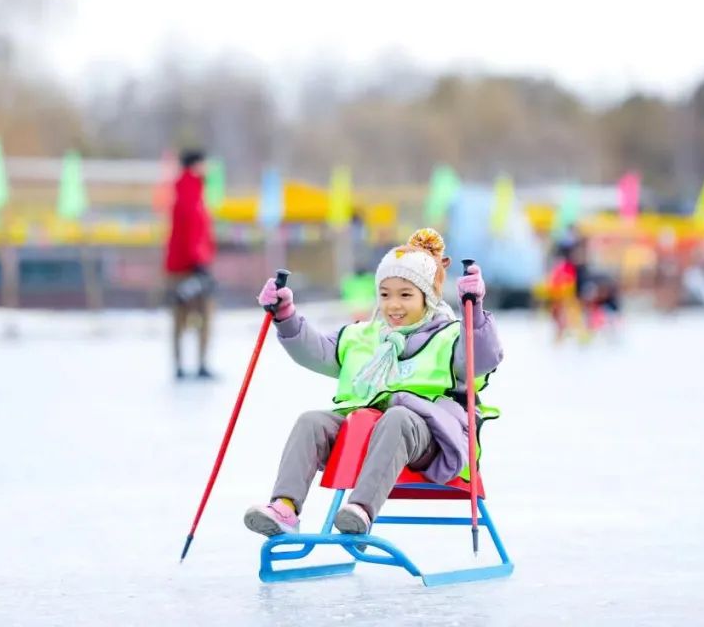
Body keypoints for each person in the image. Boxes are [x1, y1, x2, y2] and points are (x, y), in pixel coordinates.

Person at [243, 228, 503, 536]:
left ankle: (361, 510)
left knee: (398, 417)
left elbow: (482, 358)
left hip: (430, 437)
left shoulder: (449, 335)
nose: (393, 305)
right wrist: (285, 316)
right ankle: (284, 507)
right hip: (366, 432)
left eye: (406, 295)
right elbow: (315, 352)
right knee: (311, 421)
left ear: (428, 297)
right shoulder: (363, 336)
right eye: (385, 294)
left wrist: (475, 311)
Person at [164, 149, 216, 380]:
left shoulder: (186, 190)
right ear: (196, 165)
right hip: (190, 267)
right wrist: (199, 260)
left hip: (179, 266)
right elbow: (192, 231)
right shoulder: (192, 192)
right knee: (202, 315)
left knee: (179, 318)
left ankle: (180, 365)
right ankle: (200, 363)